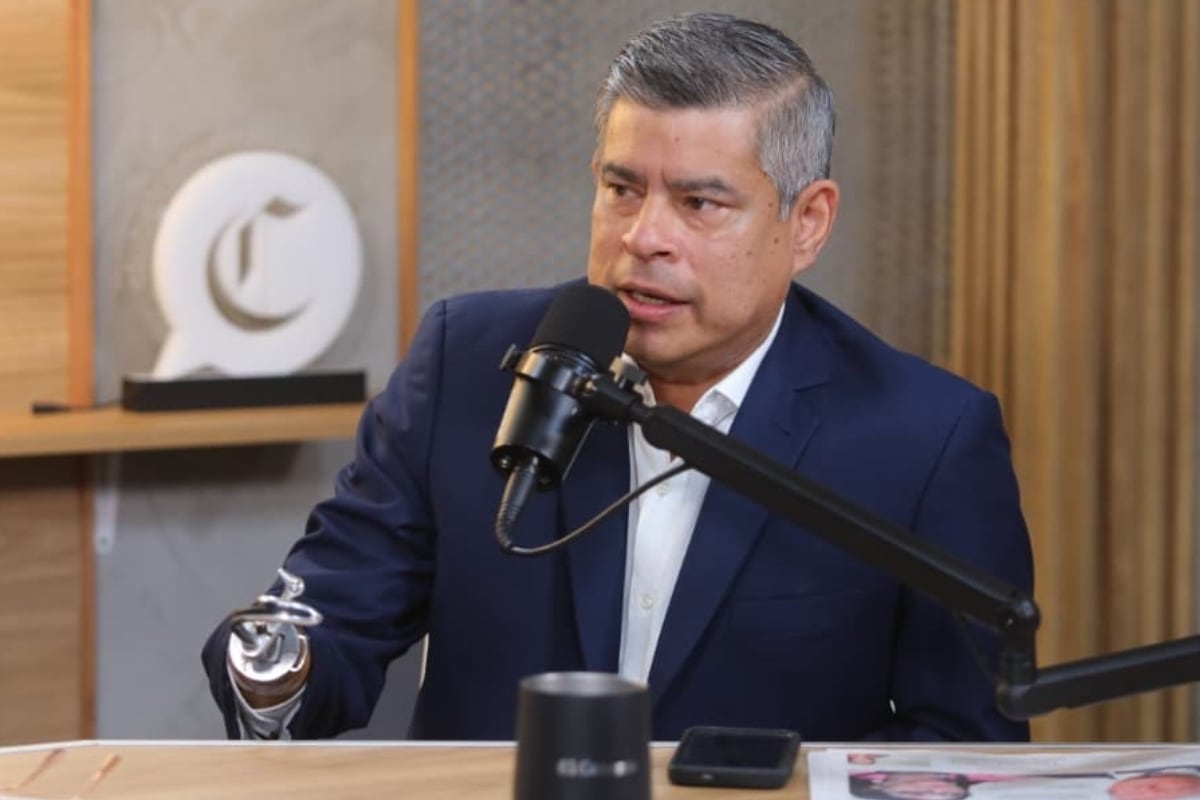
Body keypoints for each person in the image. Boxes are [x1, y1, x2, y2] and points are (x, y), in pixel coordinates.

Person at [203, 11, 1033, 742]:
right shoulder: (467, 365)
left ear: (807, 222)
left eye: (700, 204)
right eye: (622, 188)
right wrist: (276, 666)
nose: (644, 237)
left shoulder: (924, 438)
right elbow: (326, 620)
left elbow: (962, 749)